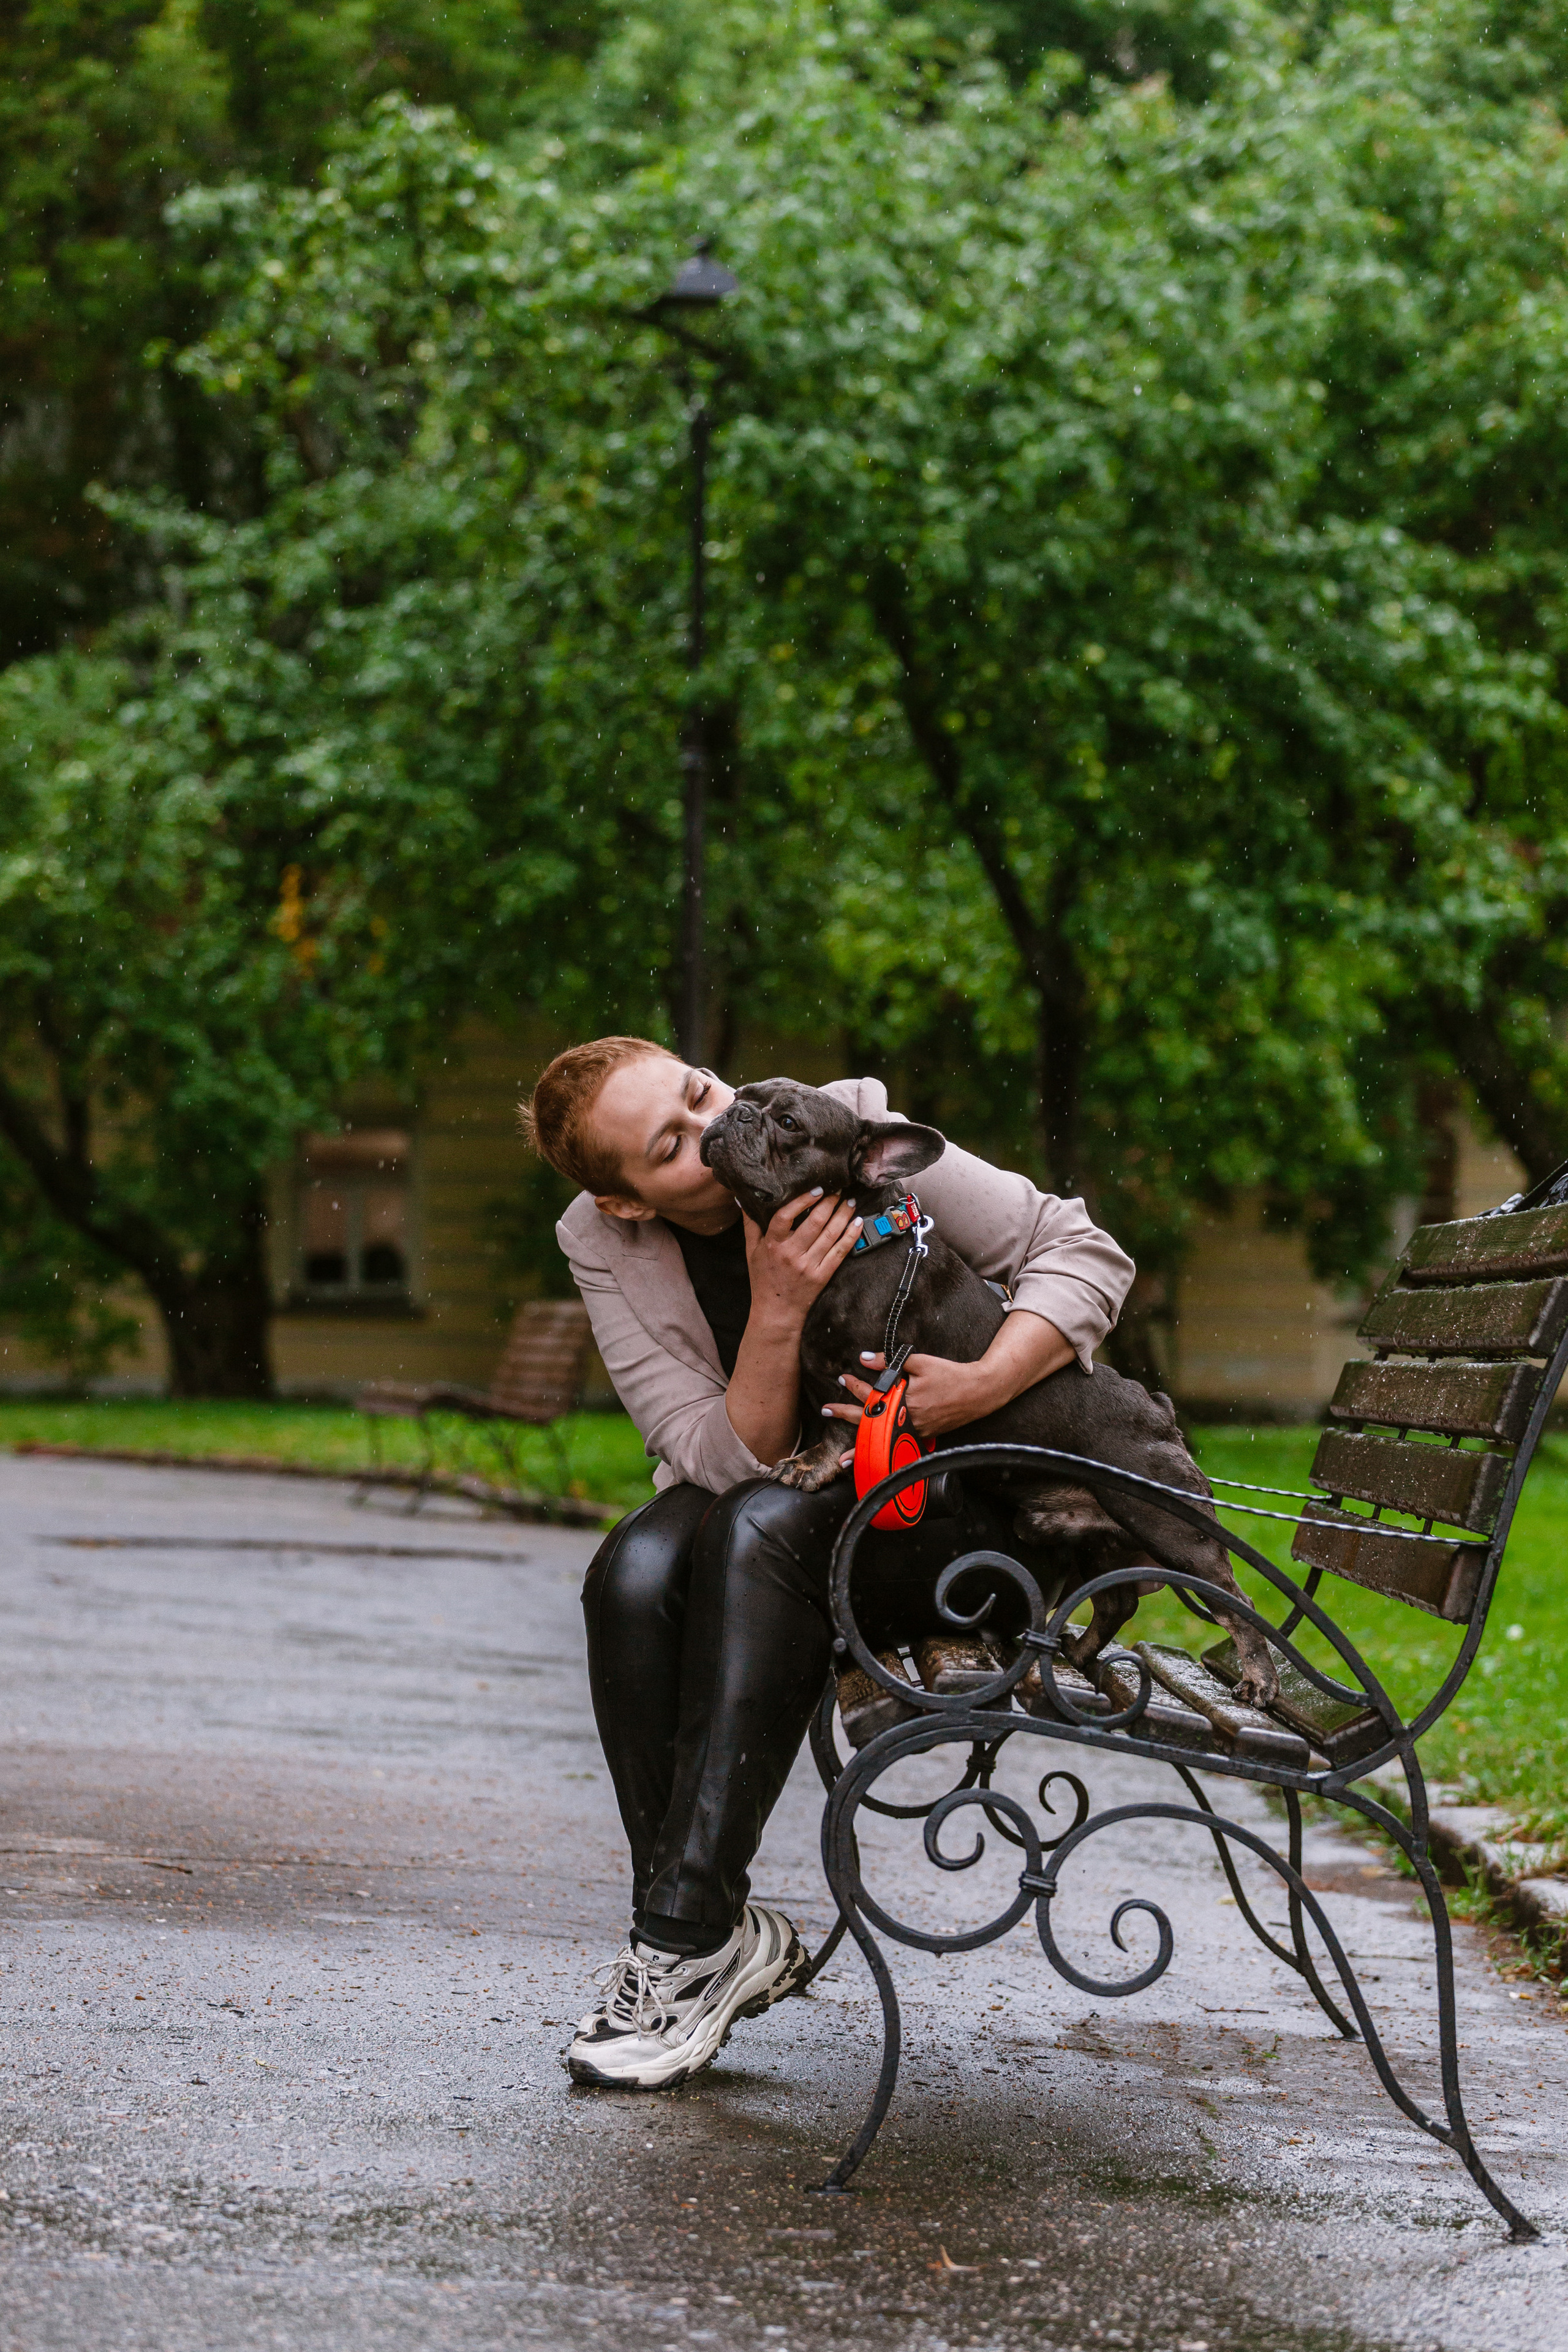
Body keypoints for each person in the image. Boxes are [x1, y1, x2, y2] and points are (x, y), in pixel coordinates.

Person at [521, 1038, 1134, 2090]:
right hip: (776, 1494)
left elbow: (1082, 1252)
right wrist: (776, 1308)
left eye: (699, 1093)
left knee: (755, 1532)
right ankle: (700, 1940)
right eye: (670, 1146)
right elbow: (709, 1452)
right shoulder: (604, 1243)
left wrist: (982, 1383)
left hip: (950, 1515)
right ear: (626, 1202)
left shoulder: (841, 1132)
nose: (712, 1131)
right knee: (630, 1572)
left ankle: (674, 1941)